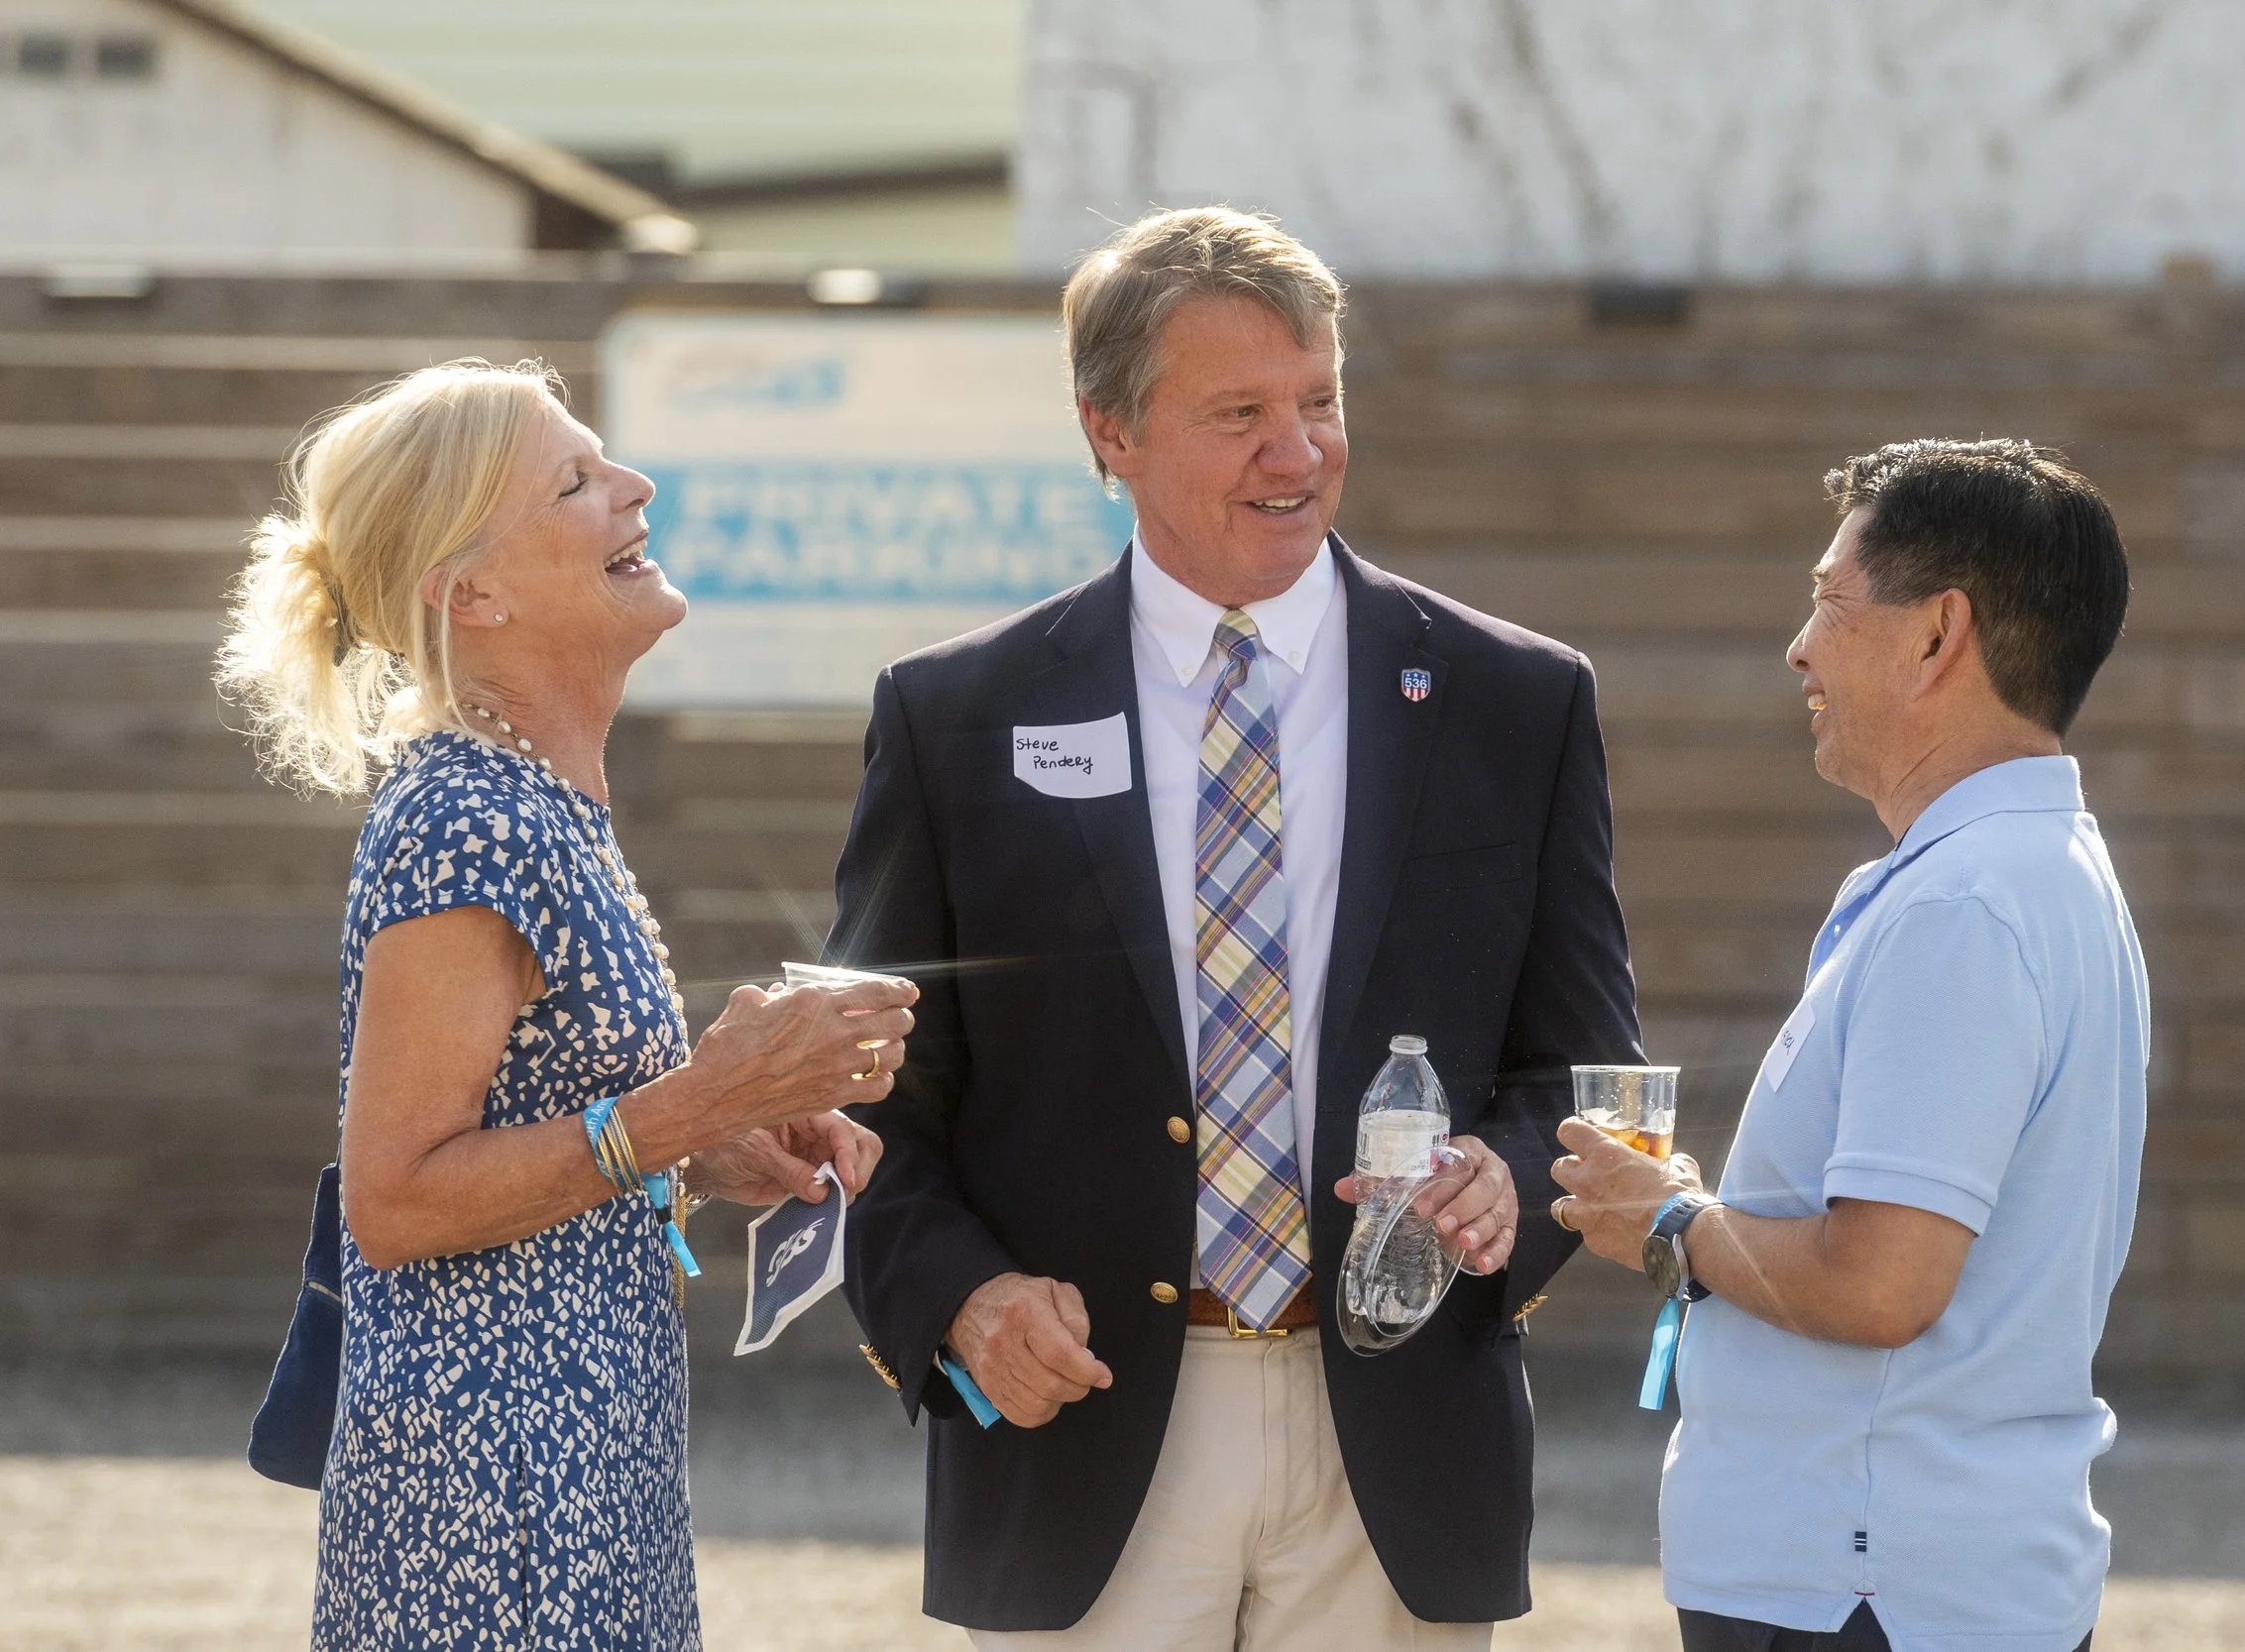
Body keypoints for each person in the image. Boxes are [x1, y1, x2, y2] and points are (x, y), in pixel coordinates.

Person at [827, 207, 1641, 1648]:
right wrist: (958, 1299)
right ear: (1111, 432)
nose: (1300, 450)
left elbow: (1579, 1071)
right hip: (1082, 1431)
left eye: (1321, 400)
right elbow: (873, 1093)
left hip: (1398, 1429)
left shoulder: (1518, 701)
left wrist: (1512, 1184)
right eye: (1241, 413)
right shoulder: (957, 715)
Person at [216, 360, 917, 1649]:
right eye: (577, 481)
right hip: (498, 1492)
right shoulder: (470, 817)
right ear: (468, 590)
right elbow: (399, 1194)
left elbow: (546, 1125)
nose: (635, 488)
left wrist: (718, 1141)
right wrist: (703, 1095)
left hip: (581, 1458)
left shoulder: (537, 804)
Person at [1550, 438, 2143, 1652]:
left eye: (1827, 601)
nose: (1798, 646)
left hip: (1862, 1586)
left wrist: (1667, 1222)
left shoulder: (1962, 905)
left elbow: (1881, 1282)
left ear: (1937, 635)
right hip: (1908, 1574)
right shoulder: (2026, 872)